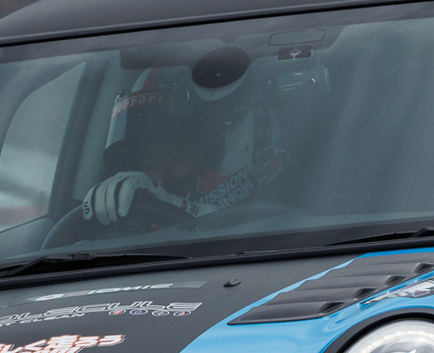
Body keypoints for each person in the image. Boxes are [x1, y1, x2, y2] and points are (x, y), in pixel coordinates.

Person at [77, 47, 289, 229]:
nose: (160, 180)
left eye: (179, 159)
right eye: (149, 167)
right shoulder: (136, 235)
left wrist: (172, 203)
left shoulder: (301, 213)